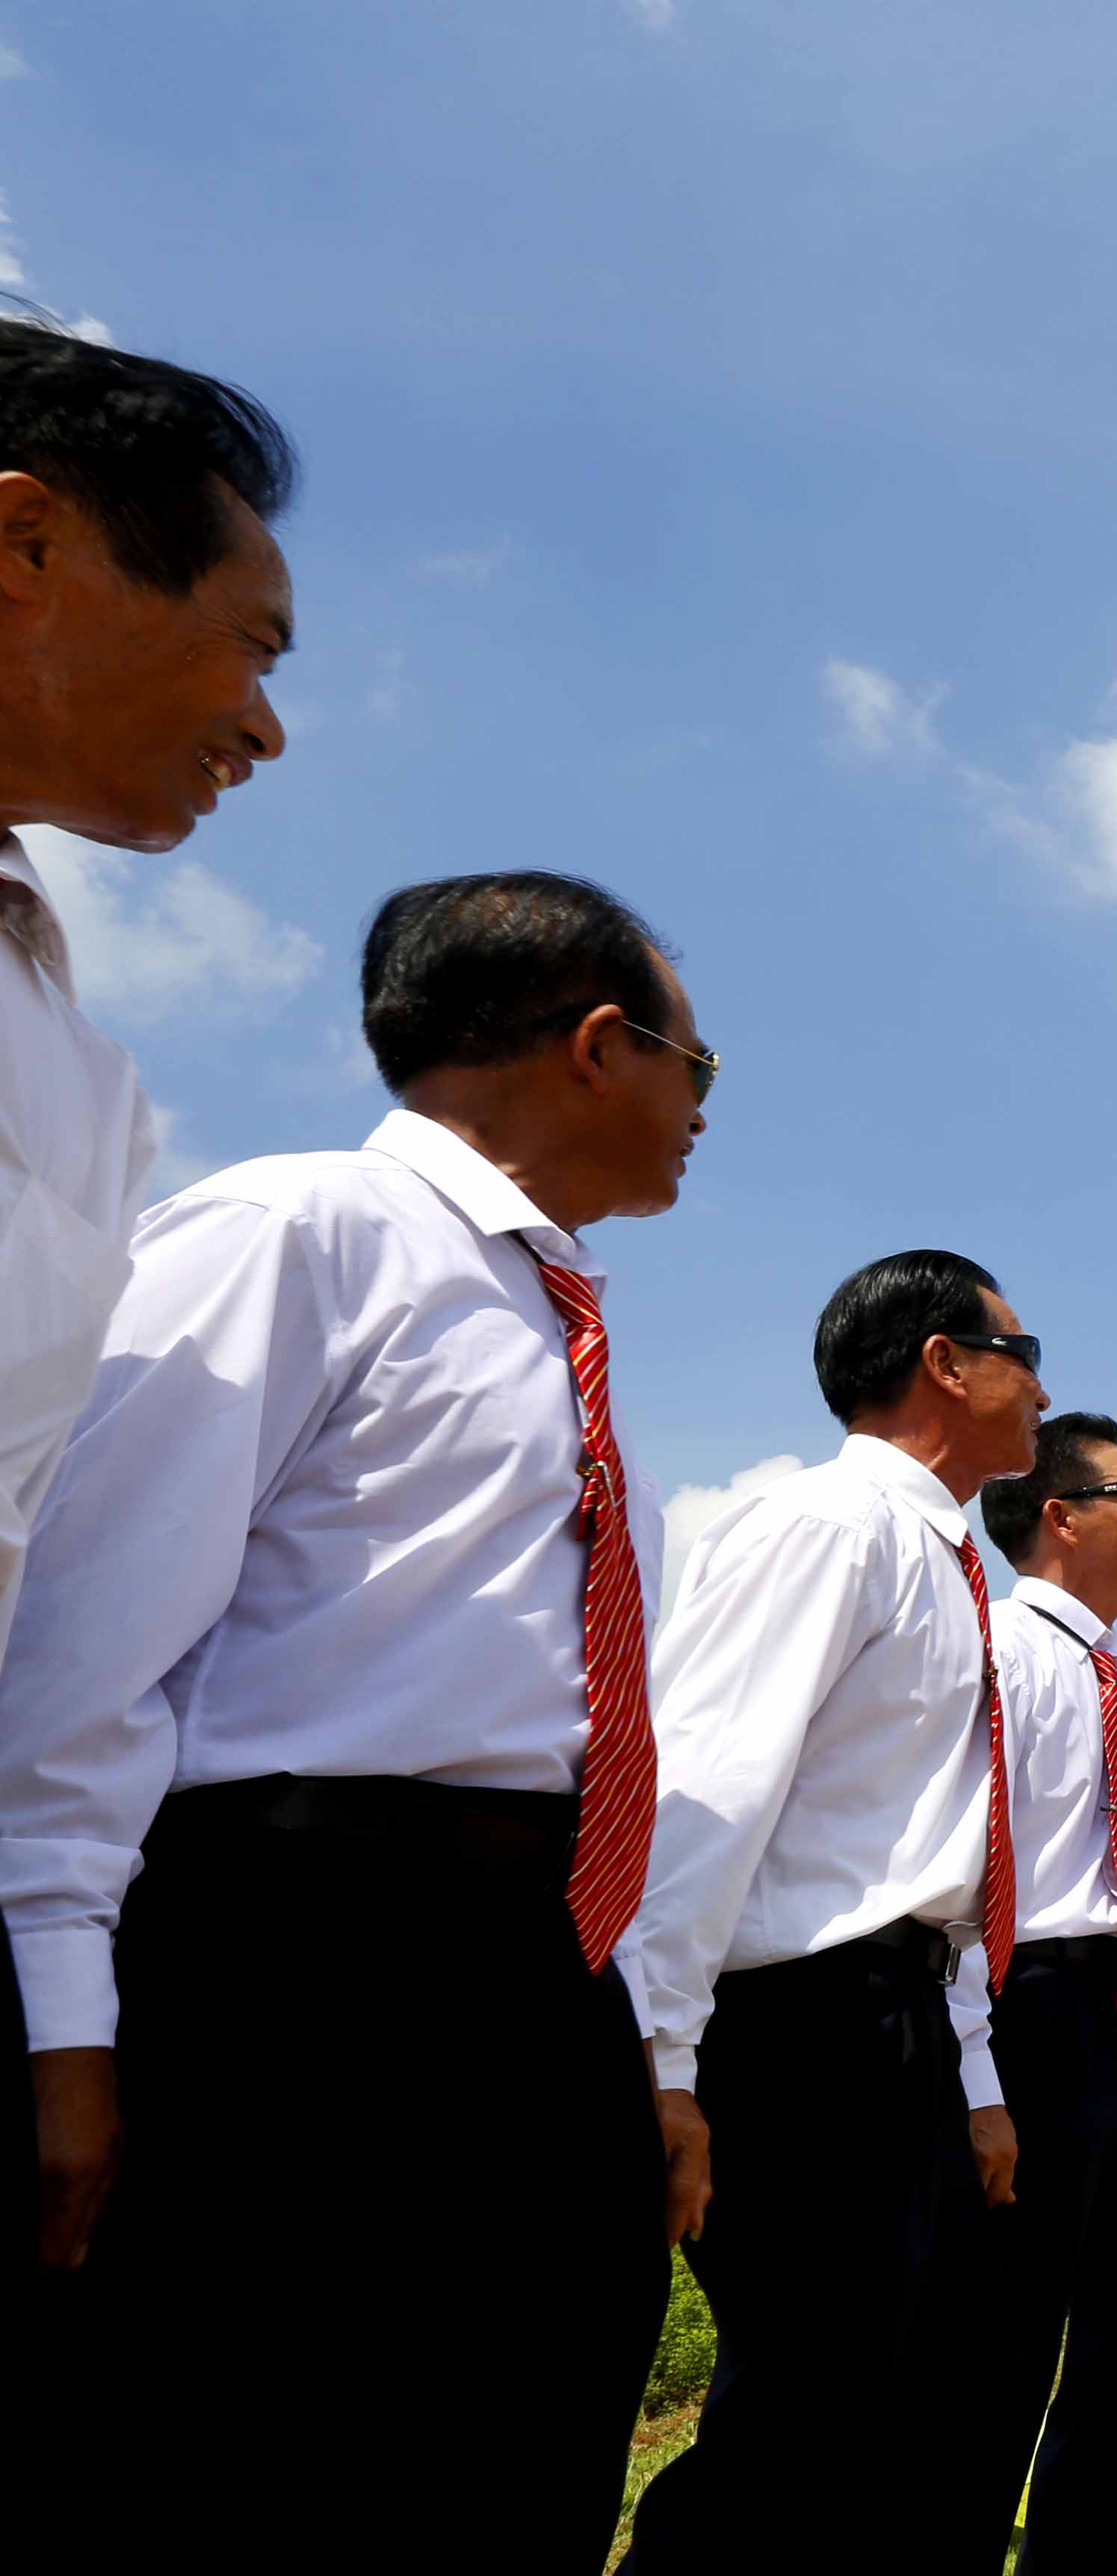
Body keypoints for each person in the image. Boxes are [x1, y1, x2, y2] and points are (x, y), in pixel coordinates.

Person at [4, 870, 690, 2561]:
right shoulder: (293, 1232)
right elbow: (88, 1636)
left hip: (536, 1959)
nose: (699, 1112)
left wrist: (648, 2042)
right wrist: (58, 2000)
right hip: (302, 1955)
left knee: (526, 2452)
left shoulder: (557, 1327)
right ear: (600, 1044)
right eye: (697, 1065)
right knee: (285, 2462)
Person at [0, 323, 295, 2345]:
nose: (264, 727)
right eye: (249, 642)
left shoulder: (69, 1063)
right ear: (27, 541)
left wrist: (52, 1989)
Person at [618, 1251, 1045, 2569]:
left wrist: (967, 2072)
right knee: (799, 2419)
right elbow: (704, 1786)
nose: (1040, 1388)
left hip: (896, 2015)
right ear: (945, 1363)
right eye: (1022, 1351)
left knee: (895, 2414)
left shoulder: (943, 1560)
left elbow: (932, 1855)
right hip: (798, 2025)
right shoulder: (827, 1526)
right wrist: (662, 2056)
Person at [936, 1411, 1117, 2575]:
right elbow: (961, 1872)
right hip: (1024, 2007)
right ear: (1062, 1515)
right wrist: (976, 2066)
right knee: (1001, 2346)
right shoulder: (989, 1647)